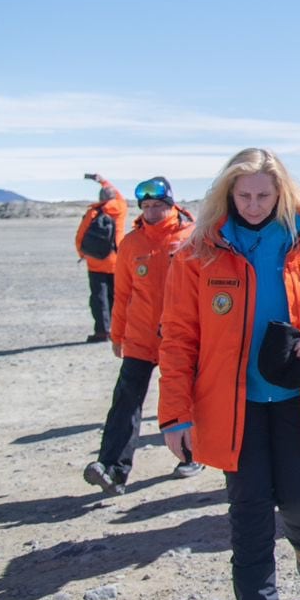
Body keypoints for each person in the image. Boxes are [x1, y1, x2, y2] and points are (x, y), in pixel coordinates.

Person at [158, 148, 300, 600]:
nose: (252, 205)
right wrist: (176, 414)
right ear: (226, 195)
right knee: (247, 506)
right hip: (233, 403)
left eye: (262, 195)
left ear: (281, 193)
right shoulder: (197, 250)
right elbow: (179, 335)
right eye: (242, 195)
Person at [84, 177, 198, 495]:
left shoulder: (190, 237)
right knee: (125, 401)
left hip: (181, 337)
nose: (152, 212)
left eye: (158, 206)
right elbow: (122, 294)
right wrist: (117, 336)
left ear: (171, 205)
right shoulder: (132, 243)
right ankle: (112, 470)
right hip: (140, 337)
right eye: (146, 206)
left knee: (183, 398)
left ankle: (191, 456)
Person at [74, 174, 128, 342]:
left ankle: (102, 331)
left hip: (96, 262)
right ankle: (118, 329)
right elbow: (117, 194)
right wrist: (102, 180)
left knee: (99, 298)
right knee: (118, 297)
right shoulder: (120, 208)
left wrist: (83, 254)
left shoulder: (94, 212)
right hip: (117, 261)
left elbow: (80, 236)